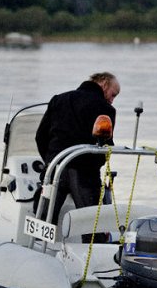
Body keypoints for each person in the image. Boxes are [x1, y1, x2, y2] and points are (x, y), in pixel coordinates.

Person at [35, 72, 119, 224]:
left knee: (43, 221)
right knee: (90, 225)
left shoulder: (58, 100)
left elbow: (40, 137)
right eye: (113, 95)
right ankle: (92, 246)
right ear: (104, 84)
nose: (112, 101)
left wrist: (50, 161)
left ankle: (36, 245)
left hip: (55, 169)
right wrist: (95, 165)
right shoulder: (104, 108)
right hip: (84, 174)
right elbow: (105, 147)